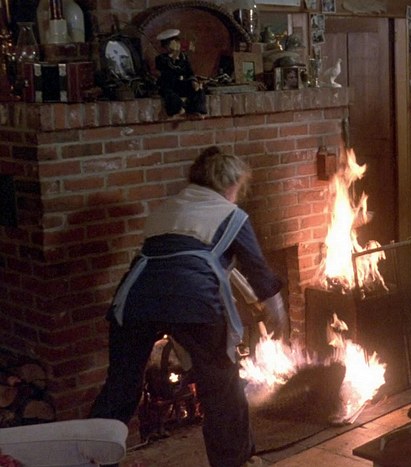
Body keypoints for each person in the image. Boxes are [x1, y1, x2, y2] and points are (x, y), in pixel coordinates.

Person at [89, 147, 287, 467]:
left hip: (135, 297)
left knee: (121, 386)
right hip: (193, 300)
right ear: (230, 183)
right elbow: (257, 270)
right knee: (221, 384)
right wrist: (277, 309)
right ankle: (236, 462)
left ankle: (87, 456)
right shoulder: (232, 215)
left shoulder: (167, 208)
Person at [155, 29, 207, 116]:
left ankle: (197, 109)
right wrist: (174, 56)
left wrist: (193, 81)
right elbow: (167, 72)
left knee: (198, 89)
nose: (177, 44)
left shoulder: (184, 58)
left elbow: (189, 72)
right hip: (170, 85)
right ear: (167, 46)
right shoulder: (161, 59)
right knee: (169, 94)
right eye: (173, 42)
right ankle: (178, 108)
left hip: (182, 84)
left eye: (177, 42)